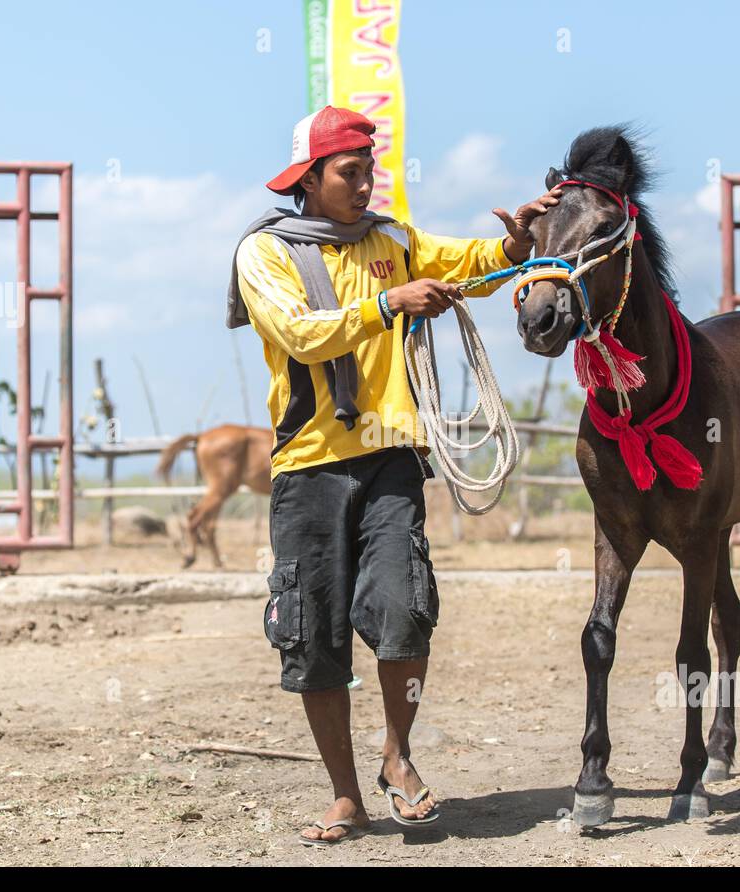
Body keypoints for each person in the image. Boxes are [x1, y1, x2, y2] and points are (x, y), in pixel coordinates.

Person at [228, 106, 558, 846]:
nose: (366, 183)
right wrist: (388, 303)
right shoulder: (265, 254)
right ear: (308, 179)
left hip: (391, 459)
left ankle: (397, 758)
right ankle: (345, 794)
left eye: (369, 170)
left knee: (407, 606)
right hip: (309, 465)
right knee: (313, 634)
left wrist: (514, 244)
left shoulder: (395, 241)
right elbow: (297, 335)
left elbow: (470, 264)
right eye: (350, 172)